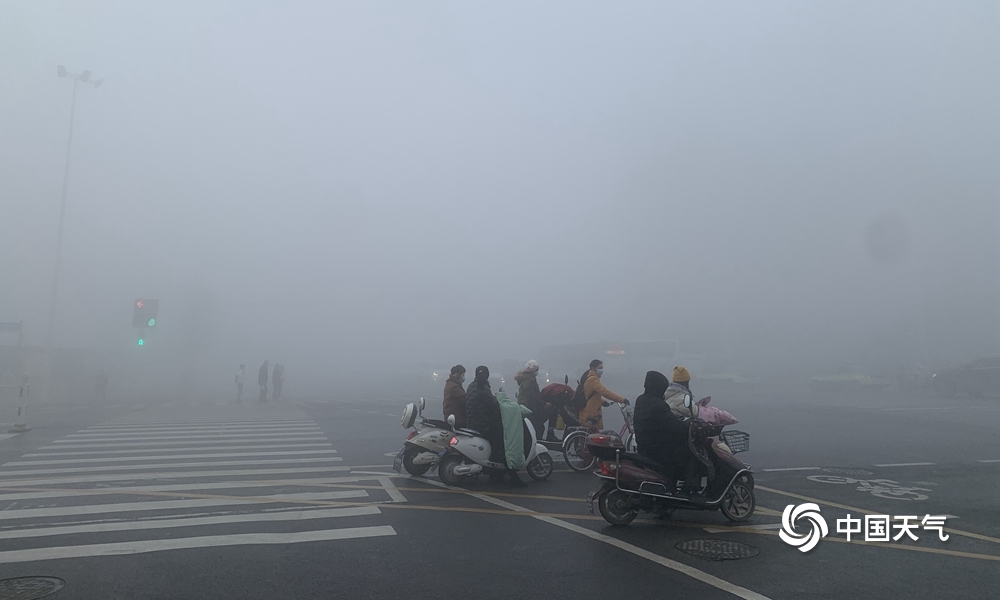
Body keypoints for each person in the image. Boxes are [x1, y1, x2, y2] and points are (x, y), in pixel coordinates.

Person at [633, 370, 704, 501]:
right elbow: (674, 426)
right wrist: (688, 424)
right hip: (657, 450)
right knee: (691, 455)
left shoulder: (641, 400)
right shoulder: (658, 405)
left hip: (645, 446)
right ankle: (689, 490)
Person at [465, 366, 518, 485]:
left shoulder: (471, 386)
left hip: (471, 422)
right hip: (483, 425)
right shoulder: (483, 388)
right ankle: (504, 473)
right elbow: (493, 405)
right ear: (487, 376)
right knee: (500, 442)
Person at [579, 359, 628, 430]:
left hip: (588, 411)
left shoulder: (589, 377)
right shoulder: (593, 380)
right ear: (593, 368)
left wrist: (603, 402)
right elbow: (605, 392)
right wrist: (622, 399)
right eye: (599, 368)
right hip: (591, 413)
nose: (601, 370)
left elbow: (592, 395)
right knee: (593, 437)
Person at [516, 360, 551, 440]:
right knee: (538, 428)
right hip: (530, 410)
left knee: (538, 427)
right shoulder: (529, 382)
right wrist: (544, 404)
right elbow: (533, 398)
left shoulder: (528, 380)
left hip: (526, 408)